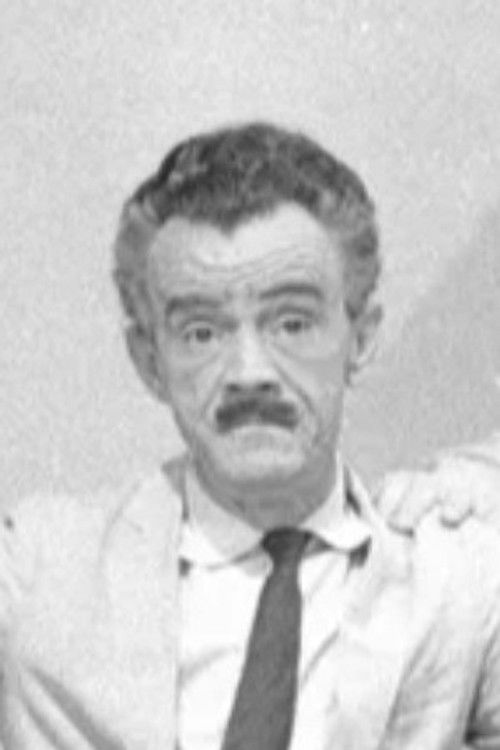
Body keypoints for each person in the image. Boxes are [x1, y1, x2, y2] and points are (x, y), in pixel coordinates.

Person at [1, 122, 499, 749]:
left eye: (292, 323)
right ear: (149, 360)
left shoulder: (457, 577)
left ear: (361, 336)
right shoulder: (38, 570)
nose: (249, 373)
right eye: (202, 333)